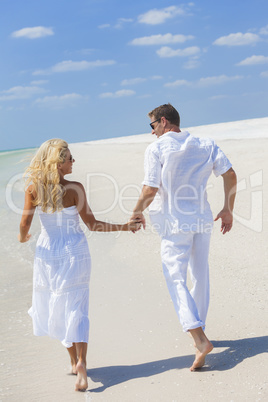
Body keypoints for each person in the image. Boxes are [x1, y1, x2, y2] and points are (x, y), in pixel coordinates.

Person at [18, 138, 141, 391]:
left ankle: (73, 361)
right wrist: (125, 227)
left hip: (48, 253)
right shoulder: (75, 189)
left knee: (58, 305)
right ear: (58, 162)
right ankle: (82, 363)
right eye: (69, 158)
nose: (73, 161)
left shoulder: (33, 189)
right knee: (77, 307)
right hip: (75, 251)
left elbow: (24, 226)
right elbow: (93, 225)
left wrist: (23, 238)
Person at [131, 104, 237, 371]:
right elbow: (230, 174)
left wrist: (136, 212)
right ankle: (200, 328)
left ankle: (198, 337)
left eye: (152, 126)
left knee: (174, 276)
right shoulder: (205, 143)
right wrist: (228, 209)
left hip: (174, 221)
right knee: (200, 273)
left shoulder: (157, 149)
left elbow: (150, 188)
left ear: (164, 122)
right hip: (202, 218)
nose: (152, 132)